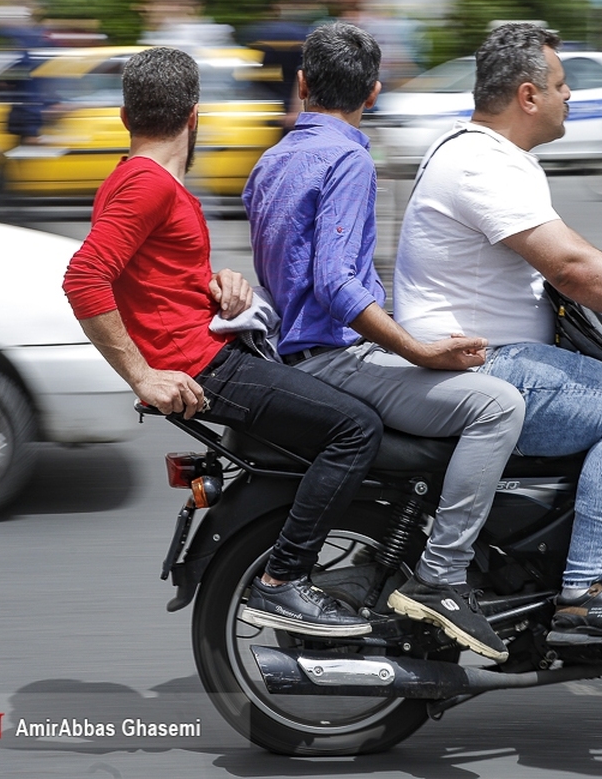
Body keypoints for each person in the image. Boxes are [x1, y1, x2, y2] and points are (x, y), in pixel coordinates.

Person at [392, 23, 602, 646]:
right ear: (527, 96)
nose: (570, 96)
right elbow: (569, 267)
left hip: (490, 355)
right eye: (562, 84)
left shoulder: (483, 154)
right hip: (481, 364)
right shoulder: (483, 162)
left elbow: (562, 254)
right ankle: (587, 590)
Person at [63, 46, 384, 639]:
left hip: (207, 346)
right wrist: (143, 376)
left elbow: (148, 276)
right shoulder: (148, 185)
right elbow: (85, 277)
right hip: (201, 367)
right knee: (355, 429)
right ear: (194, 117)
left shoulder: (138, 180)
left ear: (125, 116)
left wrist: (216, 286)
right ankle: (283, 581)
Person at [241, 22, 525, 664]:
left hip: (294, 354)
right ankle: (443, 576)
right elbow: (335, 281)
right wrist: (419, 352)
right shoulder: (348, 159)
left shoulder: (271, 161)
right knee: (499, 405)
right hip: (334, 360)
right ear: (372, 91)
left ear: (303, 84)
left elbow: (291, 270)